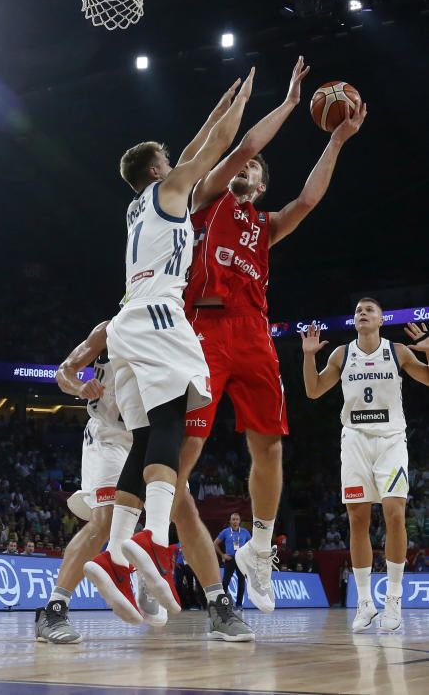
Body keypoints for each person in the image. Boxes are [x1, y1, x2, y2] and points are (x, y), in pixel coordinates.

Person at [176, 56, 367, 613]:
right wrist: (287, 102)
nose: (248, 166)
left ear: (262, 184)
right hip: (204, 328)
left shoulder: (267, 225)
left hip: (254, 335)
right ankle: (149, 537)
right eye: (245, 161)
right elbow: (236, 147)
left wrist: (338, 139)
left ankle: (258, 550)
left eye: (257, 167)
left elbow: (307, 200)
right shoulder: (207, 201)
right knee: (185, 451)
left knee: (270, 445)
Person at [84, 73, 256, 642]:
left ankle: (113, 556)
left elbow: (196, 147)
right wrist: (241, 104)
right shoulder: (169, 190)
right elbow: (213, 147)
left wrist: (220, 106)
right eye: (169, 158)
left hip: (128, 320)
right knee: (170, 427)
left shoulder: (143, 206)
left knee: (147, 436)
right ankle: (154, 542)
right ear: (159, 171)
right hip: (158, 313)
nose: (177, 161)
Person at [301, 298, 429, 632]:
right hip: (355, 440)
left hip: (390, 440)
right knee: (357, 519)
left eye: (368, 310)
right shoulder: (341, 354)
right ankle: (364, 602)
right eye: (358, 310)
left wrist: (428, 350)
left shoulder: (398, 351)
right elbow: (313, 391)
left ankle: (394, 600)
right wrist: (308, 356)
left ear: (381, 319)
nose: (362, 313)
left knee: (395, 513)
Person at [36, 322, 164, 643]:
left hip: (147, 438)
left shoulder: (171, 333)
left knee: (165, 512)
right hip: (107, 437)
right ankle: (54, 609)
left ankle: (148, 576)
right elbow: (64, 371)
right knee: (103, 521)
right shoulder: (110, 330)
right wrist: (80, 387)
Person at [214, 513, 251, 609]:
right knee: (225, 582)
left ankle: (239, 605)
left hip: (241, 560)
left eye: (237, 519)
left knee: (241, 582)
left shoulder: (245, 532)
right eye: (233, 519)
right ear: (230, 521)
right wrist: (222, 555)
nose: (235, 521)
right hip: (230, 559)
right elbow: (215, 543)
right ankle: (224, 604)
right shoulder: (225, 532)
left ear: (239, 521)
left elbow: (251, 546)